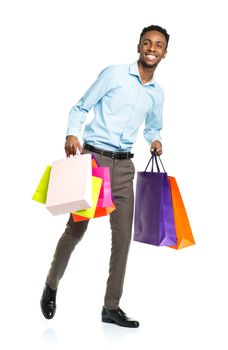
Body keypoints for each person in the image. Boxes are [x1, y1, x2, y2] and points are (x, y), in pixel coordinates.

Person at [40, 24, 169, 328]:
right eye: (147, 43)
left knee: (123, 237)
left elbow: (153, 126)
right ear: (139, 46)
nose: (152, 48)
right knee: (77, 229)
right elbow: (80, 107)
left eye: (159, 45)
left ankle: (111, 307)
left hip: (125, 168)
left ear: (165, 53)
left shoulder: (157, 95)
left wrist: (154, 140)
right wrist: (73, 135)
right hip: (94, 161)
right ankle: (51, 283)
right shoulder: (113, 74)